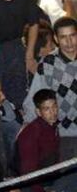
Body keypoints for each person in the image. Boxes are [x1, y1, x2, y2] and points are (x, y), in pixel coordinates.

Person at [23, 17, 77, 161]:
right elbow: (35, 98)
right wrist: (27, 125)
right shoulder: (48, 64)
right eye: (64, 37)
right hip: (64, 135)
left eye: (72, 36)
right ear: (56, 39)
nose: (69, 42)